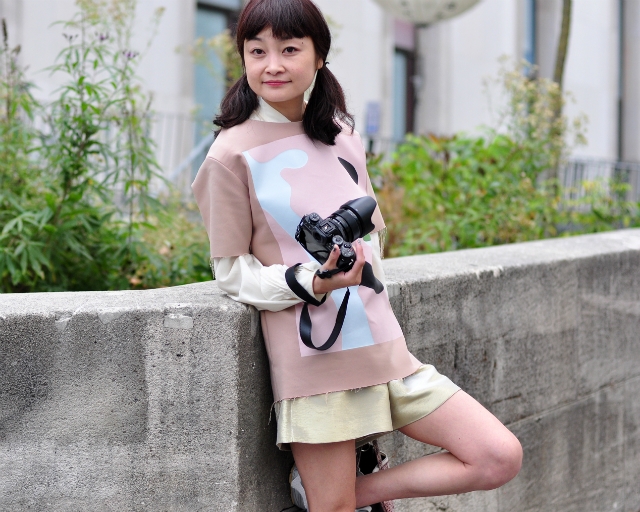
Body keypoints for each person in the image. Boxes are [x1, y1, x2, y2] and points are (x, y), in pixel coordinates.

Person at [192, 0, 523, 510]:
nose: (272, 65)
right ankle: (334, 498)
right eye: (257, 52)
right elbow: (232, 272)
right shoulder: (229, 154)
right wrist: (309, 281)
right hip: (315, 366)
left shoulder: (342, 135)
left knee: (497, 456)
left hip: (384, 349)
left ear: (319, 56)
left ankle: (345, 493)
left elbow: (373, 242)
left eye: (289, 50)